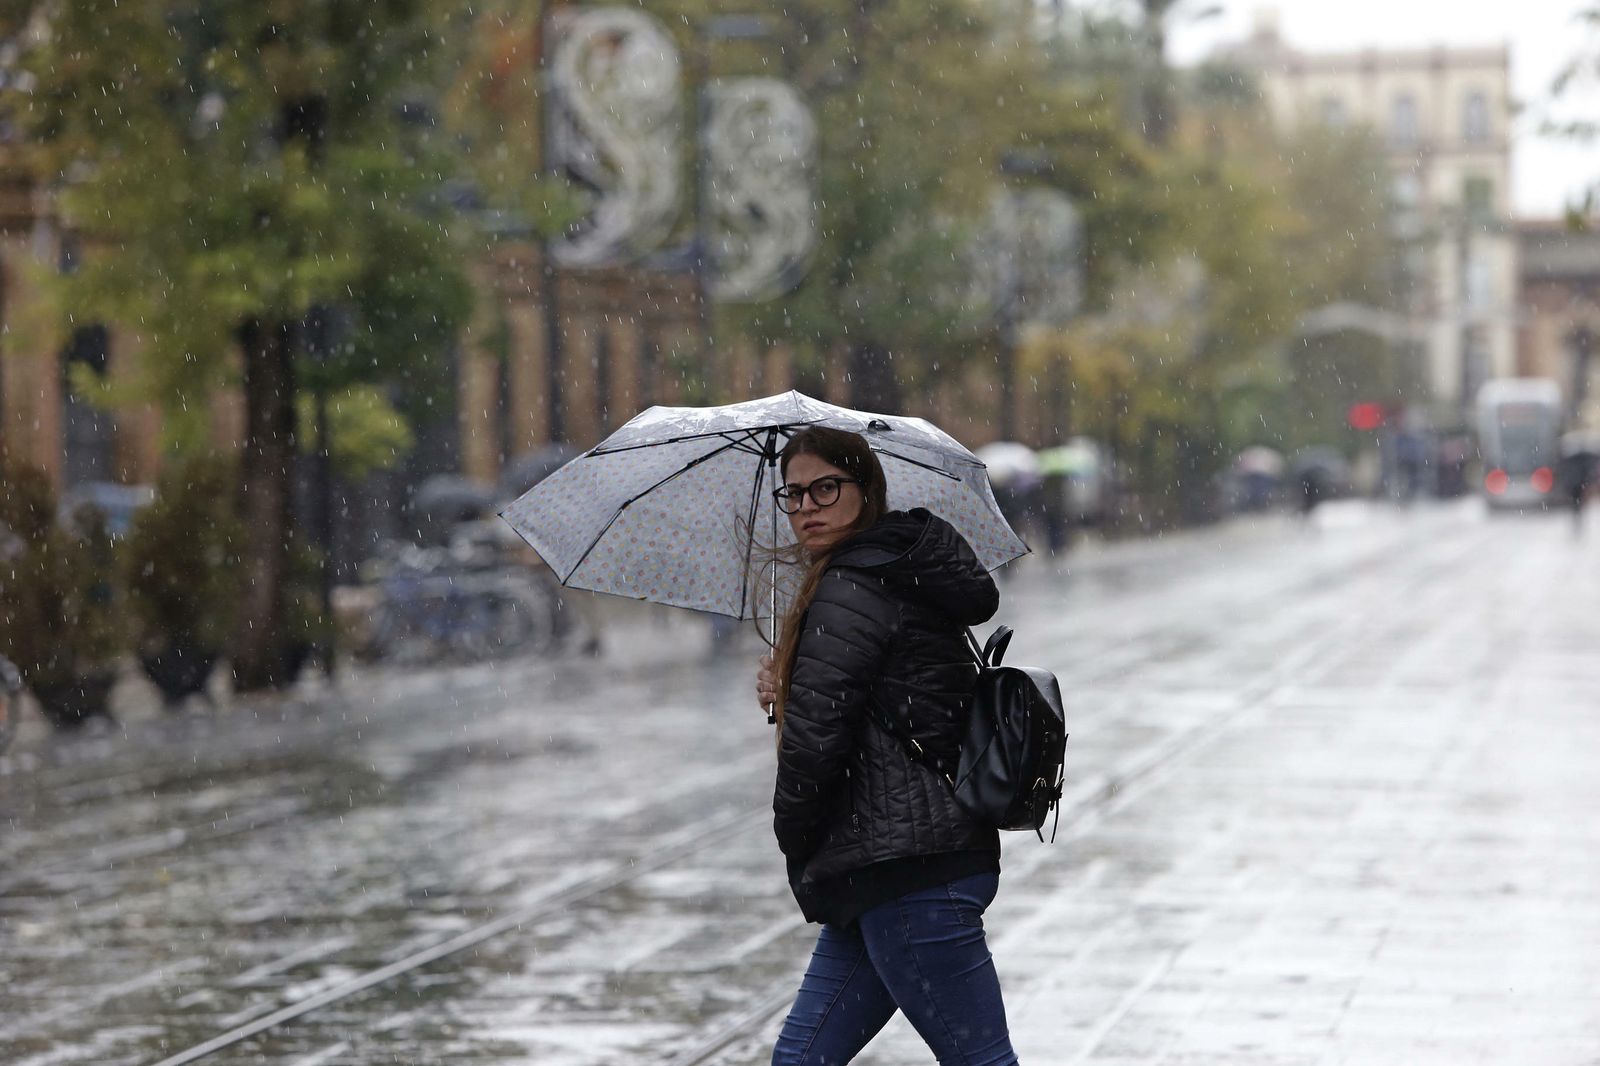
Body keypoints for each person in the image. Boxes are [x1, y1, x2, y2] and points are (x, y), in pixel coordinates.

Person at [754, 426, 1018, 1065]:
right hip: (893, 863)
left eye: (825, 488)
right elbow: (900, 699)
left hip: (902, 868)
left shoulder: (849, 587)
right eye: (793, 495)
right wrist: (795, 681)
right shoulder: (900, 571)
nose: (807, 507)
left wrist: (794, 835)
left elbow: (816, 746)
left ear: (864, 490)